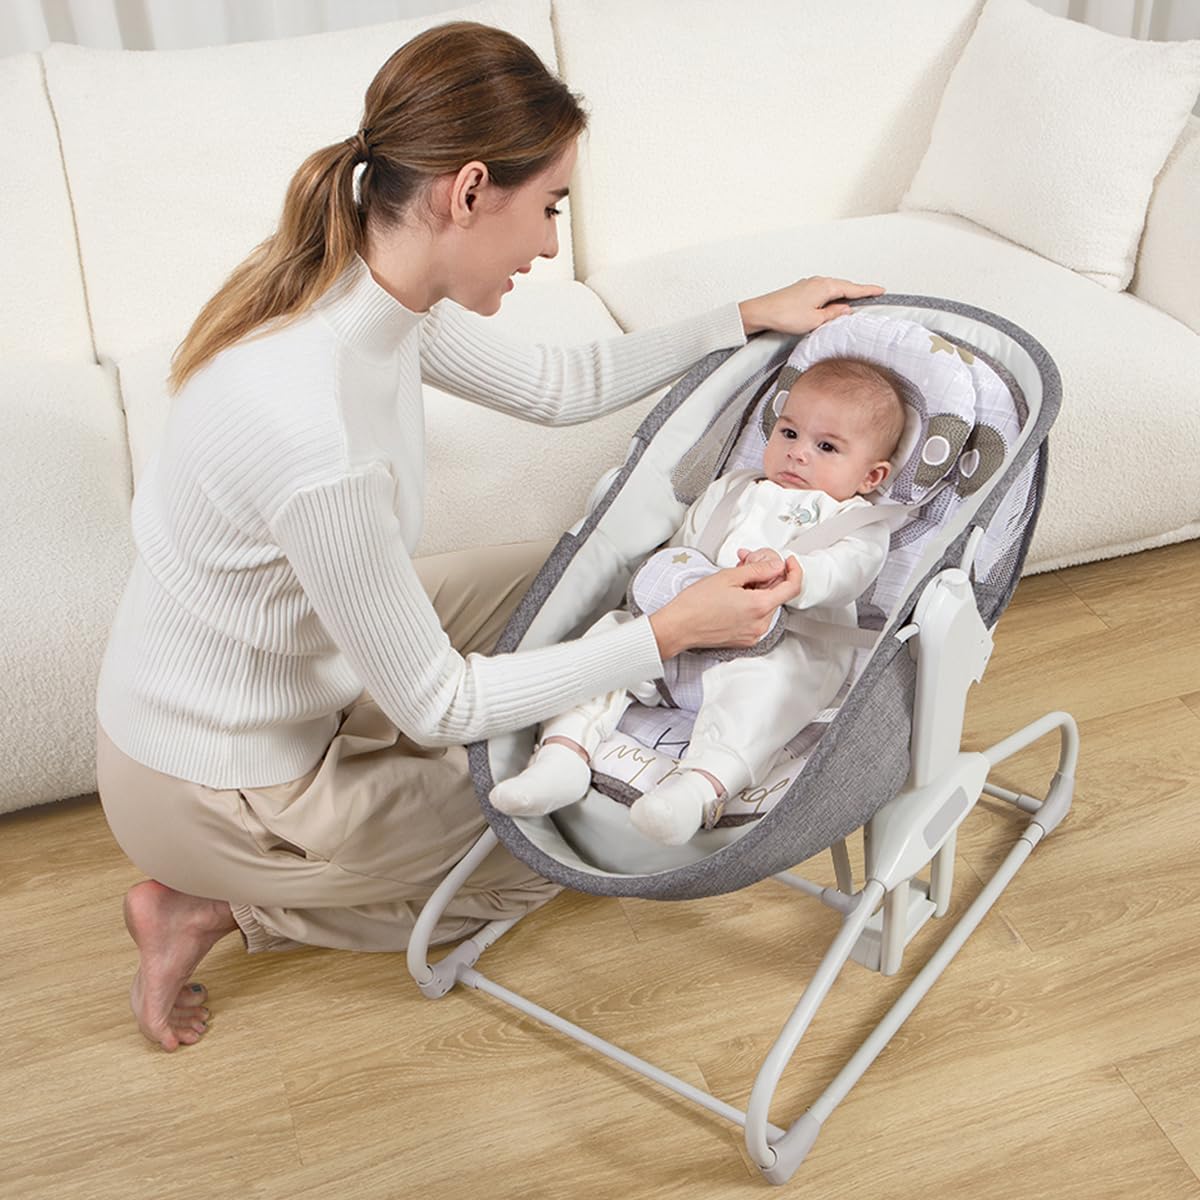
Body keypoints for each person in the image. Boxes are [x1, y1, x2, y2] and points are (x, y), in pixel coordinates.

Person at [94, 19, 886, 1052]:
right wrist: (668, 637)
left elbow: (560, 387)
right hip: (222, 783)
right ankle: (210, 908)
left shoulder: (360, 287)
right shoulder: (313, 432)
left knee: (586, 576)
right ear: (467, 192)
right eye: (548, 205)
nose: (552, 242)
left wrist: (744, 316)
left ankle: (596, 693)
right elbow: (439, 701)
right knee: (568, 833)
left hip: (283, 676)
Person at [490, 356, 906, 844]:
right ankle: (563, 753)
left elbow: (848, 572)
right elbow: (686, 548)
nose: (797, 453)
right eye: (788, 433)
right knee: (609, 637)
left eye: (827, 446)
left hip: (780, 647)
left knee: (768, 695)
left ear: (871, 477)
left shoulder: (856, 522)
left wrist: (799, 576)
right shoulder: (733, 489)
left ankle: (696, 790)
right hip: (682, 635)